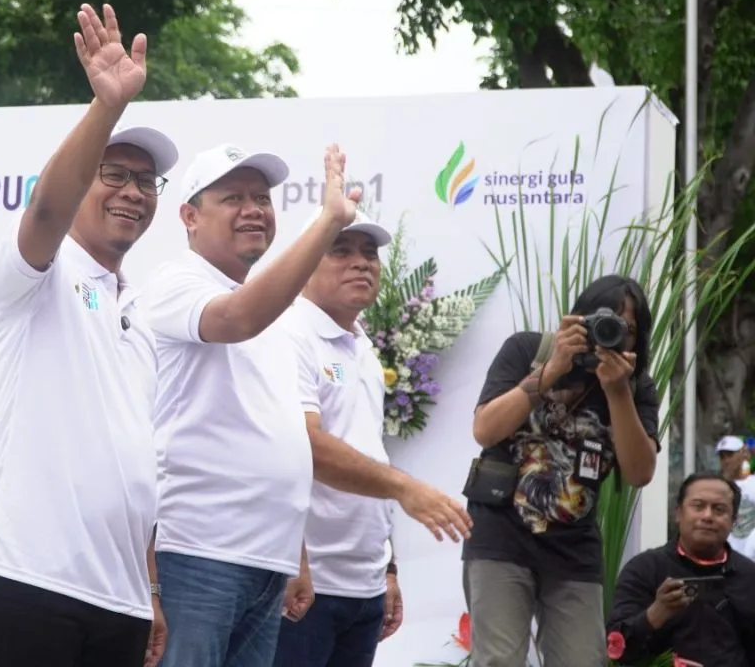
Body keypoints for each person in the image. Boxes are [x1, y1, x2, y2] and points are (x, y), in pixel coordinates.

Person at [0, 3, 177, 667]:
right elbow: (48, 207)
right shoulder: (34, 272)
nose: (133, 192)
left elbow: (134, 470)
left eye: (146, 181)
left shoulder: (139, 310)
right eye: (114, 174)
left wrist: (149, 589)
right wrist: (106, 107)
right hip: (27, 581)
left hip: (119, 600)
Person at [142, 141, 362, 667]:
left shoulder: (278, 316)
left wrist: (295, 553)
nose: (254, 210)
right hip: (195, 554)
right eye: (233, 198)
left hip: (266, 561)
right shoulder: (177, 283)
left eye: (262, 198)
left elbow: (277, 432)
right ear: (189, 216)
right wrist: (328, 223)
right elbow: (236, 318)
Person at [273, 208, 473, 667]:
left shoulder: (362, 345)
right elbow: (305, 446)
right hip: (305, 585)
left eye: (369, 253)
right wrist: (404, 487)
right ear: (305, 262)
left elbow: (368, 451)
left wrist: (388, 566)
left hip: (363, 585)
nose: (361, 262)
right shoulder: (289, 334)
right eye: (340, 250)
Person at [460, 274, 661, 667]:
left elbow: (640, 473)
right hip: (500, 535)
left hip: (574, 548)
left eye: (626, 330)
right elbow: (485, 430)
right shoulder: (527, 349)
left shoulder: (636, 387)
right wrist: (551, 369)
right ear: (580, 319)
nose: (611, 336)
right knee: (498, 660)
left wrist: (618, 391)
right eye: (603, 322)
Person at [607, 472, 755, 667]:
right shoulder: (645, 569)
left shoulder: (749, 576)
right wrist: (655, 614)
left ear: (733, 520)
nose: (707, 516)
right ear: (678, 513)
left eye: (719, 509)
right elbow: (616, 648)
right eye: (698, 506)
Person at [716, 435, 755, 559]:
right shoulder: (716, 487)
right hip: (727, 555)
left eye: (730, 455)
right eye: (722, 457)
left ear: (743, 454)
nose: (726, 461)